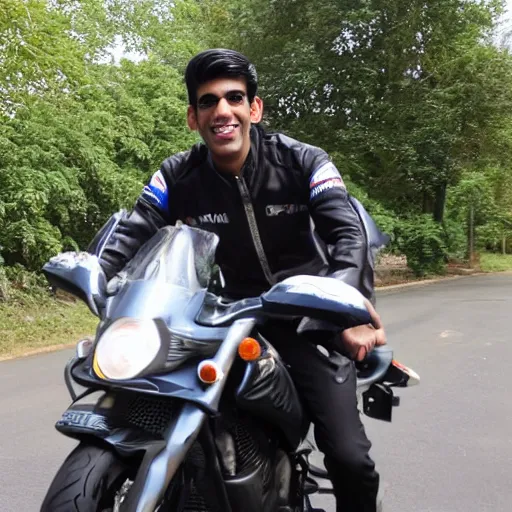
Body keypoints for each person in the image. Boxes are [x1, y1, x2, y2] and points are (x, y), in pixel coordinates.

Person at [98, 48, 386, 512]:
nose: (222, 111)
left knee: (350, 459)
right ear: (193, 117)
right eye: (208, 102)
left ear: (254, 108)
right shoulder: (177, 175)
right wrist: (96, 276)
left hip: (309, 316)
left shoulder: (303, 161)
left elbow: (346, 234)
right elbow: (135, 228)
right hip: (226, 318)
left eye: (234, 98)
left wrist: (347, 304)